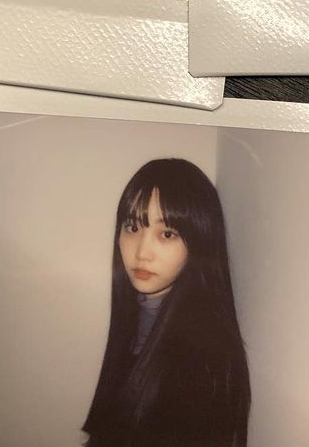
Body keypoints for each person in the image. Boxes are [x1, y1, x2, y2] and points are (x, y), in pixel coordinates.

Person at [83, 159, 250, 447]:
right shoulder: (141, 311)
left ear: (199, 241)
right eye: (133, 227)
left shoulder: (203, 359)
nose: (142, 252)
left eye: (167, 234)